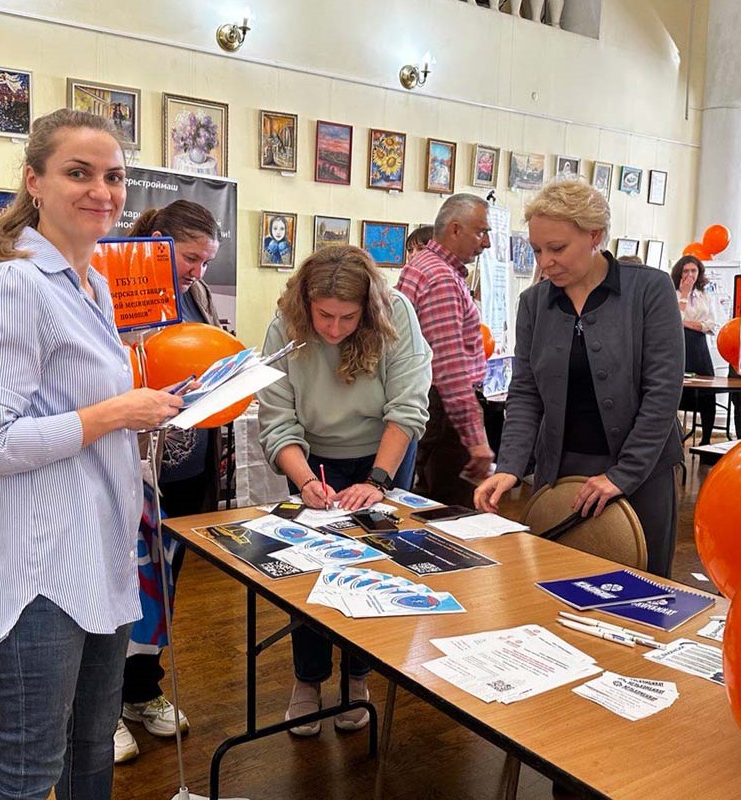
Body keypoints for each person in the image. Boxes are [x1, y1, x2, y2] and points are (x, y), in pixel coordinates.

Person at [0, 108, 184, 800]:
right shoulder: (14, 285)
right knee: (28, 771)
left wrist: (148, 419)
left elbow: (73, 418)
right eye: (78, 173)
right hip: (38, 575)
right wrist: (115, 412)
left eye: (113, 177)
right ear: (35, 181)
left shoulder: (95, 285)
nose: (102, 191)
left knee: (91, 751)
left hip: (99, 557)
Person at [258, 245, 432, 737]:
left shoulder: (396, 313)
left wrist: (378, 482)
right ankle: (308, 682)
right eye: (324, 317)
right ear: (305, 305)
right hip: (312, 458)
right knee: (309, 571)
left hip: (383, 455)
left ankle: (358, 679)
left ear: (368, 309)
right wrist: (306, 481)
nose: (333, 329)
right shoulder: (284, 323)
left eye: (347, 318)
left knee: (374, 569)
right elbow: (276, 418)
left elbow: (408, 407)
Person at [474, 180, 685, 579]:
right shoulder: (534, 302)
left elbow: (662, 392)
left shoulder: (649, 290)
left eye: (557, 249)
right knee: (554, 586)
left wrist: (622, 474)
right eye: (537, 250)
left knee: (640, 593)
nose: (545, 261)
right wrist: (510, 466)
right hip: (561, 474)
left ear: (594, 236)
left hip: (640, 474)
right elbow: (526, 393)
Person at [113, 199, 225, 761]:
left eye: (206, 261)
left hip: (185, 464)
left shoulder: (198, 297)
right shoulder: (114, 289)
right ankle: (102, 705)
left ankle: (141, 691)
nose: (197, 272)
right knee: (119, 585)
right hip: (129, 465)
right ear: (157, 242)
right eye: (190, 258)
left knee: (161, 583)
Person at [397, 193, 494, 506]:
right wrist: (476, 438)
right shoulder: (441, 279)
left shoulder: (420, 266)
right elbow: (450, 370)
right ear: (455, 230)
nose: (487, 243)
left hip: (426, 405)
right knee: (450, 514)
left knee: (423, 504)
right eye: (481, 232)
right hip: (443, 414)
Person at [671, 255, 719, 445]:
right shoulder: (672, 292)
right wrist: (684, 294)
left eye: (693, 271)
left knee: (708, 394)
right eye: (686, 271)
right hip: (679, 345)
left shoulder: (705, 295)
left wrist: (687, 324)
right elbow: (674, 320)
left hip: (699, 348)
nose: (690, 275)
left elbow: (710, 324)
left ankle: (705, 440)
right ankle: (675, 438)